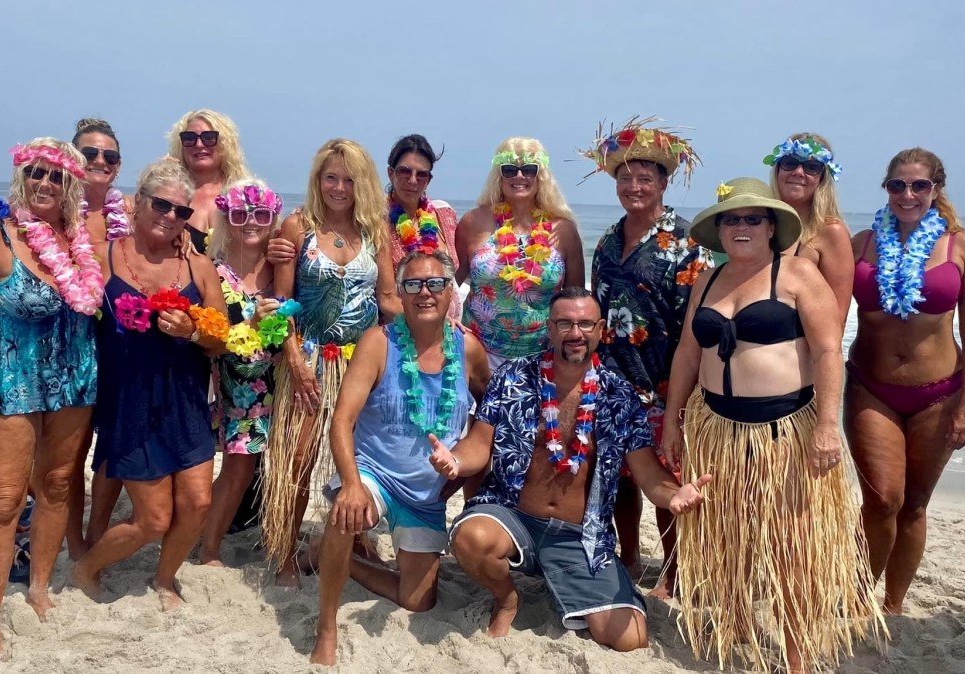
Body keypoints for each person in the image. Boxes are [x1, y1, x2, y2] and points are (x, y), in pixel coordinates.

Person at [664, 178, 884, 672]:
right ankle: (737, 626)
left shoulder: (799, 275)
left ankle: (798, 656)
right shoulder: (707, 279)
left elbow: (829, 351)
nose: (741, 227)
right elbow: (686, 353)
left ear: (771, 227)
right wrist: (673, 422)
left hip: (784, 430)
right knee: (729, 535)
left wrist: (828, 425)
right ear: (719, 229)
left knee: (791, 544)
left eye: (752, 219)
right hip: (716, 428)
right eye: (731, 219)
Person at [441, 288, 708, 652]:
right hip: (512, 515)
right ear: (549, 329)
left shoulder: (620, 396)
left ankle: (566, 581)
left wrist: (674, 493)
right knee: (471, 538)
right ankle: (507, 599)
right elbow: (478, 445)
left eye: (584, 323)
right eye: (564, 323)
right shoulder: (513, 378)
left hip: (578, 535)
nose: (575, 333)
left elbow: (647, 474)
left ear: (600, 329)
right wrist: (455, 461)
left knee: (630, 640)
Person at [308, 250, 490, 665]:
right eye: (413, 284)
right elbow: (341, 420)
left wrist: (463, 468)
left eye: (435, 284)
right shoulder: (378, 342)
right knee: (345, 513)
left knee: (418, 601)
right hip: (374, 473)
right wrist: (352, 484)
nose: (424, 292)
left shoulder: (469, 350)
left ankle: (337, 560)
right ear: (401, 295)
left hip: (427, 493)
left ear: (450, 293)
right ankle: (326, 627)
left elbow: (490, 416)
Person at [0, 137, 102, 661]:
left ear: (71, 185)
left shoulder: (81, 238)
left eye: (57, 176)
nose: (45, 183)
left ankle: (40, 585)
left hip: (74, 380)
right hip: (11, 383)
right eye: (36, 173)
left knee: (59, 483)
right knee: (3, 501)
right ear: (22, 175)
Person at [69, 160, 234, 610]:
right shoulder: (104, 256)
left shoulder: (198, 266)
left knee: (197, 505)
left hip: (186, 400)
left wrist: (193, 332)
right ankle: (85, 567)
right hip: (129, 403)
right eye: (161, 204)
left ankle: (164, 579)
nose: (171, 216)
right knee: (154, 519)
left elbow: (221, 339)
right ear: (138, 202)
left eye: (182, 212)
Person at [846, 148, 965, 615]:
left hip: (939, 395)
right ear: (886, 189)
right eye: (897, 185)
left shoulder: (960, 246)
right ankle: (853, 592)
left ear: (935, 189)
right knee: (884, 498)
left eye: (918, 186)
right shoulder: (861, 243)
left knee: (915, 504)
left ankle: (893, 604)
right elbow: (818, 308)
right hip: (871, 388)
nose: (907, 194)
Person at [580, 116, 711, 597]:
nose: (634, 186)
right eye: (626, 177)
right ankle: (630, 558)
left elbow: (696, 331)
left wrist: (679, 401)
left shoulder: (687, 242)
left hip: (663, 386)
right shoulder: (609, 240)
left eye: (645, 178)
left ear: (664, 181)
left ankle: (675, 573)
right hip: (610, 383)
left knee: (668, 484)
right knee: (618, 480)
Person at [261, 138, 401, 587]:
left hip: (361, 362)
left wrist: (436, 320)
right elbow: (283, 305)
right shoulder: (298, 226)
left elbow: (386, 298)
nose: (339, 187)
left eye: (349, 179)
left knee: (357, 460)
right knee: (296, 461)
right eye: (331, 177)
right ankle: (284, 556)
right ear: (318, 179)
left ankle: (355, 540)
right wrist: (296, 362)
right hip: (307, 358)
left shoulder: (375, 229)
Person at [266, 134, 462, 322]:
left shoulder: (444, 215)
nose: (412, 180)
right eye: (404, 171)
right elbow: (386, 298)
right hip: (400, 335)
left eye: (421, 174)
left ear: (429, 179)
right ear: (390, 173)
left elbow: (459, 271)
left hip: (446, 334)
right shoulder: (377, 221)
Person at [199, 177, 286, 567]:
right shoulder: (211, 271)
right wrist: (248, 324)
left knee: (279, 468)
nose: (251, 222)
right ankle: (209, 548)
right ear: (225, 218)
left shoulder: (282, 267)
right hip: (238, 390)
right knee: (238, 469)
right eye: (239, 214)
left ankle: (276, 540)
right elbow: (208, 332)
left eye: (262, 214)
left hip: (282, 383)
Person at [455, 138, 583, 372]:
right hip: (476, 352)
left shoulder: (563, 230)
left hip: (542, 356)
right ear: (499, 176)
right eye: (510, 170)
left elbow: (576, 300)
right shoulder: (473, 222)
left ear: (540, 176)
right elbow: (451, 285)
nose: (520, 176)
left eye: (529, 170)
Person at [66, 117, 132, 561]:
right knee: (70, 451)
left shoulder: (126, 212)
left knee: (112, 445)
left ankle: (97, 531)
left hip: (116, 343)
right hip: (67, 342)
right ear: (73, 159)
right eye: (90, 153)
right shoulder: (52, 210)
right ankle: (71, 539)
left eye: (109, 156)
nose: (100, 161)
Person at [764, 133, 853, 324]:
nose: (798, 172)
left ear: (823, 178)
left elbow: (837, 318)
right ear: (778, 169)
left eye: (812, 167)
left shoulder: (830, 232)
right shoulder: (758, 224)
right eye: (789, 163)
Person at [167, 109, 250, 254]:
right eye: (189, 138)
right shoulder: (170, 196)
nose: (199, 144)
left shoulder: (247, 195)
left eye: (209, 137)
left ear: (225, 144)